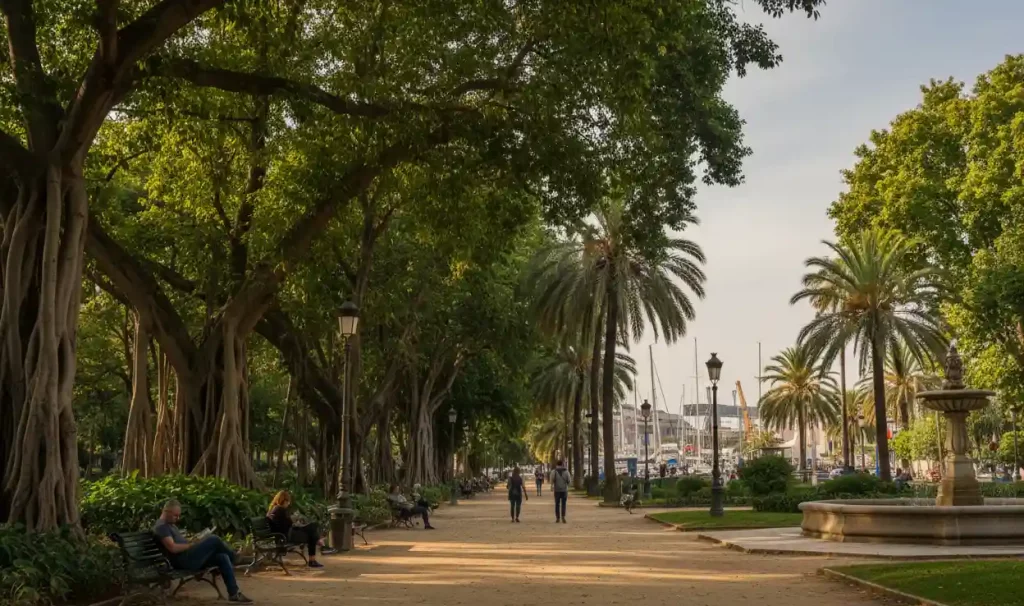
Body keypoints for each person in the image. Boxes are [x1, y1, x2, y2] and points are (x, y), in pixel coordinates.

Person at [153, 500, 253, 603]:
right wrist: (191, 545)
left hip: (188, 557)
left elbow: (179, 543)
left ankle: (234, 594)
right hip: (183, 561)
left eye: (179, 515)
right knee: (213, 539)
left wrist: (193, 540)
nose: (178, 518)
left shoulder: (170, 525)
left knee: (222, 557)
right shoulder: (161, 527)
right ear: (166, 511)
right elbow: (173, 548)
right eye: (175, 515)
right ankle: (235, 558)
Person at [266, 490, 323, 568]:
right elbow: (289, 524)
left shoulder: (274, 509)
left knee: (312, 530)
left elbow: (286, 524)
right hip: (287, 536)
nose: (288, 504)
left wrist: (295, 523)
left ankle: (316, 548)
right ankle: (313, 558)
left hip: (285, 535)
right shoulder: (280, 510)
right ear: (284, 501)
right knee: (312, 529)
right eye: (288, 501)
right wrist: (295, 520)